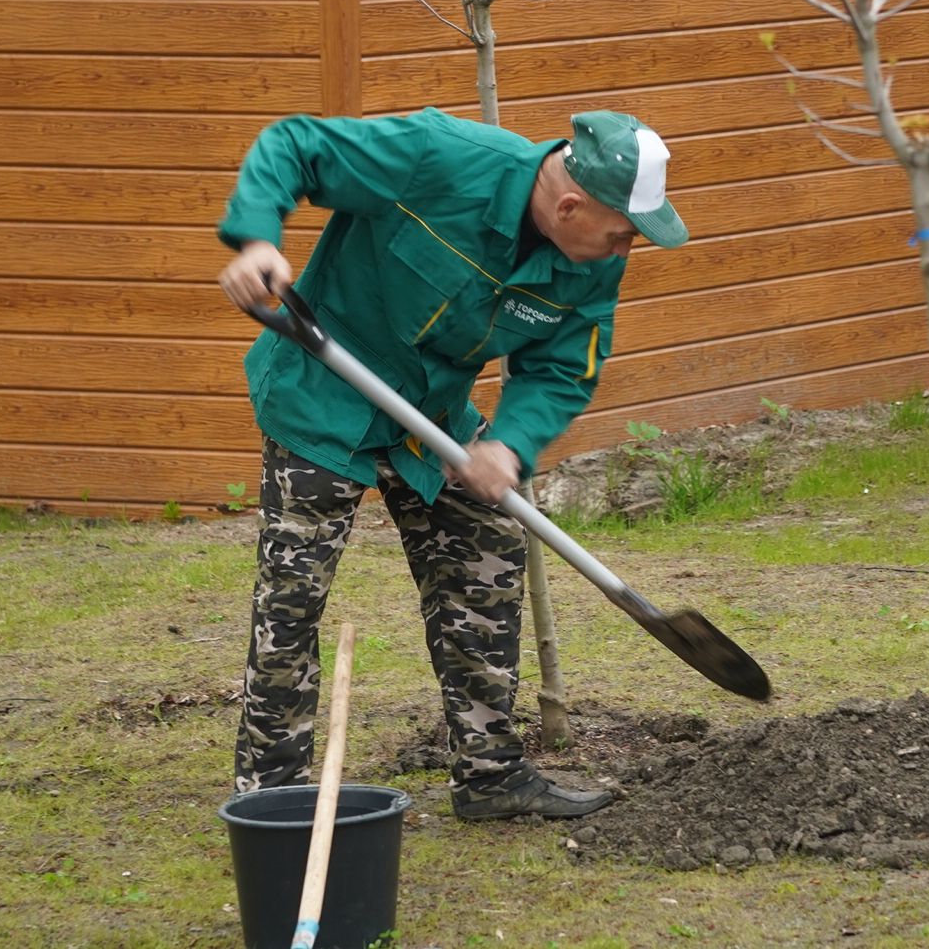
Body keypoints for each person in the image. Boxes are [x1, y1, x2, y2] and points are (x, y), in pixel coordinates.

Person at [216, 106, 687, 820]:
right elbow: (297, 144)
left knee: (485, 559)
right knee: (293, 597)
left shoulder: (589, 263)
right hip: (321, 396)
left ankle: (490, 774)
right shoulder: (438, 157)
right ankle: (273, 801)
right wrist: (257, 240)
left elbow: (563, 367)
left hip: (432, 420)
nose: (626, 249)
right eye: (623, 232)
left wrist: (509, 444)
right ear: (569, 204)